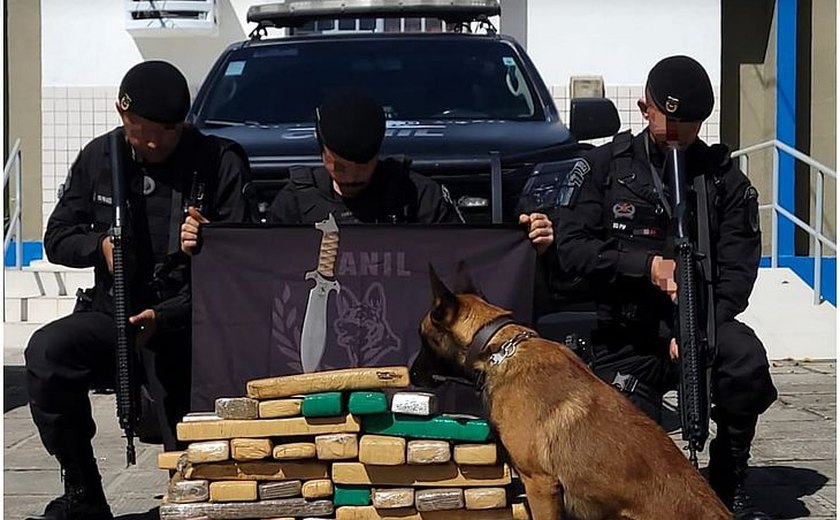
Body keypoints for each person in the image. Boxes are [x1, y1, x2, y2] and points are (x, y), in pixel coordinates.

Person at [554, 55, 777, 520]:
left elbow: (739, 272)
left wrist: (697, 327)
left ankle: (729, 476)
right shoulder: (603, 167)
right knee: (634, 459)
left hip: (696, 329)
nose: (677, 134)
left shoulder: (722, 181)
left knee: (746, 363)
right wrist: (645, 265)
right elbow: (571, 249)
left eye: (689, 125)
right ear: (645, 108)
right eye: (668, 120)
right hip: (624, 335)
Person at [25, 60, 248, 520]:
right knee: (48, 354)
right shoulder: (99, 157)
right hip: (115, 312)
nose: (146, 142)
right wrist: (100, 246)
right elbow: (56, 238)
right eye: (136, 129)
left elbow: (246, 258)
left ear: (181, 126)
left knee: (188, 463)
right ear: (120, 113)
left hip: (187, 323)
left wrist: (211, 240)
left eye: (159, 133)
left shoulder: (220, 161)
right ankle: (83, 489)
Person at [181, 90, 554, 252]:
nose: (351, 176)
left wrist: (526, 240)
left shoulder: (417, 195)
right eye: (338, 165)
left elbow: (467, 256)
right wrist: (212, 242)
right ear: (320, 148)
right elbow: (257, 264)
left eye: (364, 167)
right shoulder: (296, 200)